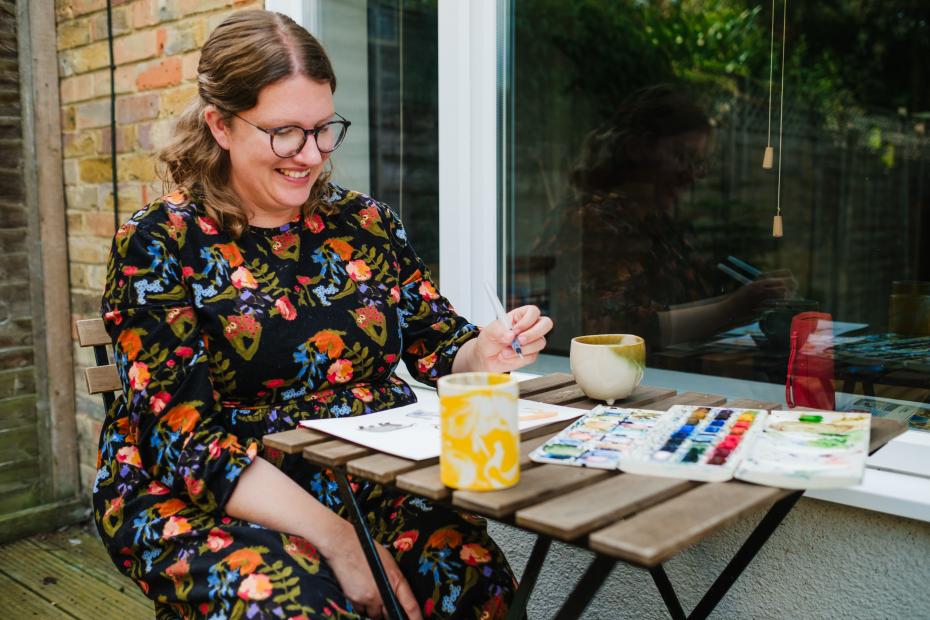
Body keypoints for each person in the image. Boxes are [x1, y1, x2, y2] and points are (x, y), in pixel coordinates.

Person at [94, 10, 552, 620]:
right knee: (298, 603)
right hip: (213, 491)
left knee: (473, 580)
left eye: (323, 129)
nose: (309, 155)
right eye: (285, 132)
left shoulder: (365, 224)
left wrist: (485, 351)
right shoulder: (160, 241)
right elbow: (185, 443)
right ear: (221, 125)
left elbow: (440, 344)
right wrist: (340, 541)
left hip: (364, 477)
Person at [539, 84, 794, 350]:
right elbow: (619, 332)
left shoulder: (659, 225)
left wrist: (751, 297)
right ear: (637, 149)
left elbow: (679, 308)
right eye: (682, 157)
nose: (694, 175)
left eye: (700, 163)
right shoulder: (592, 223)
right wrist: (733, 307)